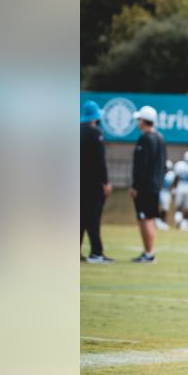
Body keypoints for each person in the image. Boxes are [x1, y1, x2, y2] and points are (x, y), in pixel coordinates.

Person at [129, 105, 166, 263]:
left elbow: (142, 166)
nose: (138, 122)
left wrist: (136, 186)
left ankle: (149, 253)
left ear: (144, 121)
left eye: (139, 119)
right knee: (148, 218)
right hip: (155, 185)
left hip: (145, 187)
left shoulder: (146, 139)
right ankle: (148, 252)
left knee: (145, 219)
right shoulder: (159, 137)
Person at [80, 100, 113, 263]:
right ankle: (96, 252)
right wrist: (105, 182)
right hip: (92, 184)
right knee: (93, 217)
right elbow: (100, 161)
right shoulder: (95, 133)